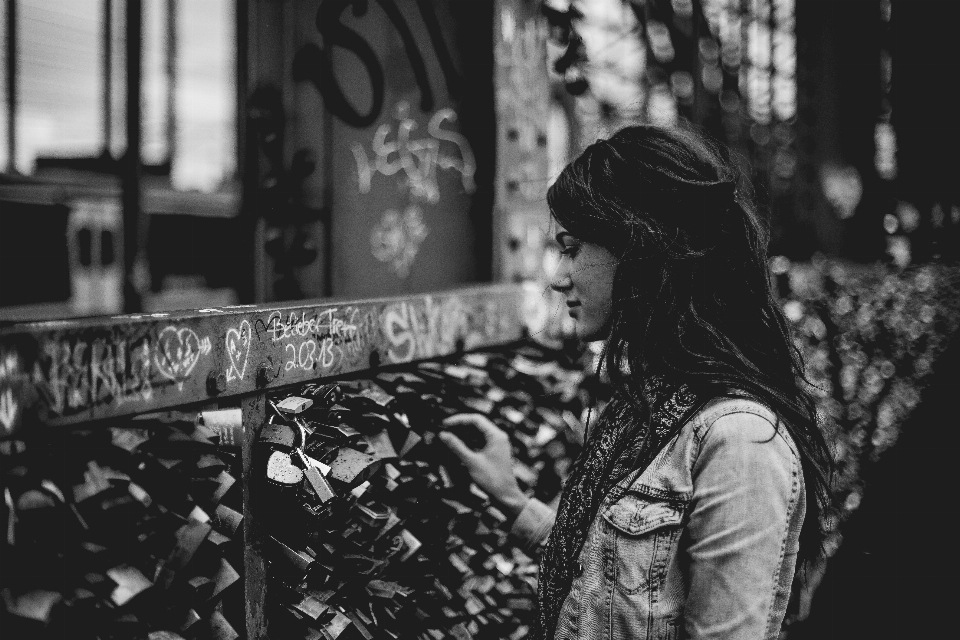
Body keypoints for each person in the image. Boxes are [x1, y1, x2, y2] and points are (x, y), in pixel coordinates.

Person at [439, 124, 833, 640]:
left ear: (643, 252)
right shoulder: (655, 402)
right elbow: (610, 584)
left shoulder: (739, 442)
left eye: (573, 248)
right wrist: (511, 499)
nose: (560, 277)